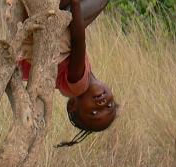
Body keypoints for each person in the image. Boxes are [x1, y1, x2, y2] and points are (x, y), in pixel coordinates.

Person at [17, 0, 117, 146]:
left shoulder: (79, 86)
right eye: (109, 106)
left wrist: (75, 2)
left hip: (48, 31)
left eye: (94, 113)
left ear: (72, 106)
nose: (102, 104)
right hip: (35, 33)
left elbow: (78, 39)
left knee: (82, 14)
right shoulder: (78, 81)